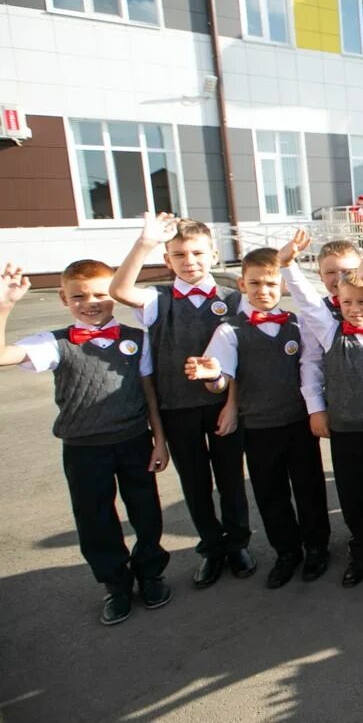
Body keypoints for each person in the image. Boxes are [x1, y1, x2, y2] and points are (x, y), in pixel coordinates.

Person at [0, 260, 170, 625]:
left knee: (145, 510)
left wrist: (160, 440)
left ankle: (151, 573)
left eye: (99, 294)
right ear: (63, 298)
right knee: (95, 518)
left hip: (134, 440)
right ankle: (116, 584)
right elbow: (2, 356)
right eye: (78, 296)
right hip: (84, 447)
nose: (90, 302)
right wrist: (5, 306)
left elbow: (148, 392)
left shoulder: (136, 338)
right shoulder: (55, 342)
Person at [109, 213, 253, 588]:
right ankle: (211, 548)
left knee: (231, 480)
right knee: (195, 483)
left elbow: (241, 360)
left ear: (214, 254)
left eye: (197, 253)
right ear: (167, 260)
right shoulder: (157, 299)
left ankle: (237, 543)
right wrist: (144, 244)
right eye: (179, 255)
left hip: (222, 406)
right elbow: (119, 290)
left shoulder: (232, 298)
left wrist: (233, 405)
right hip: (178, 409)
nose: (189, 261)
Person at [185, 248, 331, 588]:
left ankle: (316, 548)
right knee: (270, 493)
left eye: (269, 283)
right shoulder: (229, 331)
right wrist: (211, 377)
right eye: (254, 283)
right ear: (241, 284)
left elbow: (312, 372)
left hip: (298, 422)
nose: (262, 290)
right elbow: (222, 379)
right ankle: (286, 552)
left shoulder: (297, 324)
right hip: (260, 426)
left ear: (281, 285)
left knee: (309, 489)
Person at [280, 232, 363, 587]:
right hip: (344, 433)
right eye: (347, 302)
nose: (354, 309)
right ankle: (362, 551)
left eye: (362, 302)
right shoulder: (330, 334)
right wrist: (288, 265)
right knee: (353, 498)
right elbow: (308, 304)